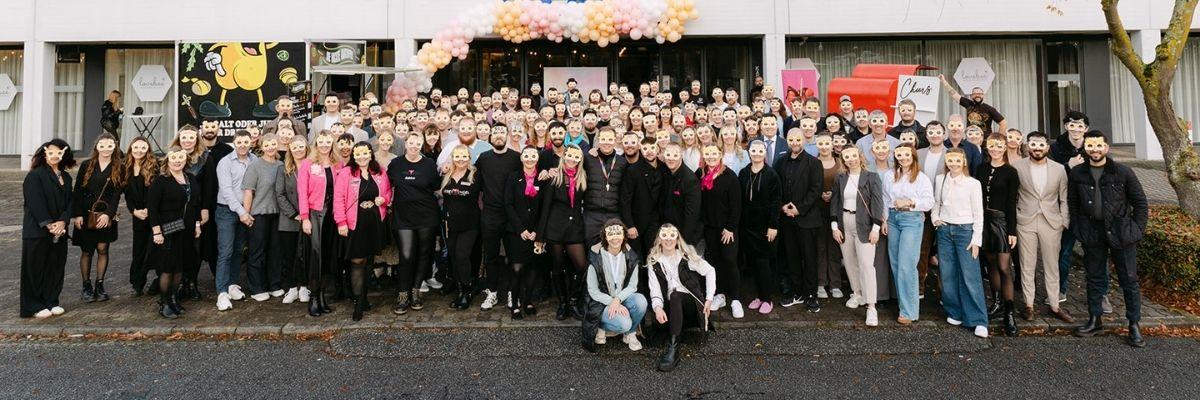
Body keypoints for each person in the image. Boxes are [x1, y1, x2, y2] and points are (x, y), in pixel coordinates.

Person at [1068, 131, 1148, 348]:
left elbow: (1140, 203)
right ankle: (1095, 319)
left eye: (1098, 146)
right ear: (1085, 148)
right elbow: (1072, 204)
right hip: (1092, 232)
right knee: (1094, 278)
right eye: (1090, 146)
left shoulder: (1123, 172)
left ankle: (1134, 324)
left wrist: (1136, 230)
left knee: (1129, 280)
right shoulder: (1077, 173)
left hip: (1121, 232)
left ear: (1106, 147)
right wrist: (1079, 229)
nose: (1095, 150)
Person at [1011, 131, 1074, 323]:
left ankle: (1055, 305)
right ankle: (1028, 305)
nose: (1037, 148)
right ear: (1028, 146)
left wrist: (1064, 221)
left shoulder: (1058, 169)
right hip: (1026, 220)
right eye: (1033, 144)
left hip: (1051, 222)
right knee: (1027, 265)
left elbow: (1064, 197)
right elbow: (1012, 195)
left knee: (1052, 265)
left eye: (1041, 145)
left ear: (1047, 147)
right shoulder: (1017, 166)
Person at [932, 148, 989, 338]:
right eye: (950, 160)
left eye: (957, 160)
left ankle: (978, 320)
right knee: (947, 273)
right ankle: (954, 310)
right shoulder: (941, 179)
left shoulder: (973, 184)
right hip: (945, 230)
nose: (953, 164)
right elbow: (936, 202)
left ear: (964, 161)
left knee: (970, 275)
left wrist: (976, 239)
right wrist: (935, 219)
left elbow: (978, 213)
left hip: (965, 231)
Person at [333, 141, 392, 321]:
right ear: (353, 155)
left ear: (370, 154)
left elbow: (388, 191)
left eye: (365, 153)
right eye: (358, 154)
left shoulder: (379, 171)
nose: (362, 157)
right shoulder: (346, 173)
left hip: (374, 221)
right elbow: (339, 198)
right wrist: (340, 222)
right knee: (357, 261)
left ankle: (365, 297)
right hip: (354, 222)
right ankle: (358, 301)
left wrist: (385, 199)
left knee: (369, 261)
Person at [647, 224, 716, 372]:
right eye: (664, 236)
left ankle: (674, 348)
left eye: (672, 235)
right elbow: (655, 291)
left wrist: (709, 300)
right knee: (673, 297)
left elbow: (710, 271)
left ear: (677, 239)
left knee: (676, 295)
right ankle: (674, 336)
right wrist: (658, 308)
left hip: (691, 307)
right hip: (670, 310)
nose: (668, 239)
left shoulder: (686, 256)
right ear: (659, 239)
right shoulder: (654, 262)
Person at [21, 139, 75, 319]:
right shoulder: (35, 175)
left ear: (63, 154)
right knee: (35, 268)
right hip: (37, 231)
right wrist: (49, 224)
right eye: (50, 151)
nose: (54, 155)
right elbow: (35, 202)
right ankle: (34, 305)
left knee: (56, 266)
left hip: (60, 230)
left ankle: (52, 301)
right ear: (44, 153)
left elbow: (70, 202)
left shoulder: (66, 177)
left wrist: (63, 222)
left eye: (58, 152)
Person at [830, 146, 884, 326]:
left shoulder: (872, 177)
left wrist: (876, 228)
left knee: (867, 265)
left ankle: (871, 307)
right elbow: (836, 201)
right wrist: (834, 226)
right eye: (847, 157)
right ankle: (857, 293)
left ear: (860, 157)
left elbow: (877, 203)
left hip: (865, 224)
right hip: (845, 222)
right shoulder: (840, 178)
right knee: (850, 262)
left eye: (854, 156)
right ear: (843, 160)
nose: (851, 159)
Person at [146, 147, 203, 319]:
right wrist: (156, 232)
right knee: (168, 268)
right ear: (167, 160)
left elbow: (195, 204)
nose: (177, 161)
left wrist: (197, 224)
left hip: (185, 230)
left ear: (185, 159)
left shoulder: (190, 178)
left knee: (180, 267)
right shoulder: (161, 181)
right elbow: (152, 208)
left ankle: (173, 299)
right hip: (167, 230)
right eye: (174, 158)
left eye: (180, 157)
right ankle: (164, 302)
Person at [388, 134, 441, 314]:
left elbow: (435, 186)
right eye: (411, 143)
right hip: (403, 216)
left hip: (427, 215)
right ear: (406, 144)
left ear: (421, 145)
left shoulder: (428, 164)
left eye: (418, 143)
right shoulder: (395, 164)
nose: (414, 146)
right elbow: (387, 185)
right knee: (407, 255)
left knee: (424, 253)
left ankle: (416, 291)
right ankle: (402, 294)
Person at [536, 145, 589, 321]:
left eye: (576, 157)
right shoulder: (554, 177)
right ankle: (563, 303)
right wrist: (540, 235)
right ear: (564, 156)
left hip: (574, 229)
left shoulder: (582, 176)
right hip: (555, 228)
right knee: (557, 266)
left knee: (581, 266)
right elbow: (545, 207)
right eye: (569, 156)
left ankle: (573, 300)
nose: (572, 159)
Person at [975, 133, 1020, 336]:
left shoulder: (1011, 172)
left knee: (1004, 267)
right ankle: (996, 303)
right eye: (992, 145)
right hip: (984, 219)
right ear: (987, 147)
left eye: (999, 146)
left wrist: (1012, 230)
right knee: (991, 263)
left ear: (1004, 148)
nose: (995, 149)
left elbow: (1012, 203)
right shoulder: (981, 169)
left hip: (1001, 221)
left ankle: (1009, 311)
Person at [775, 129, 824, 312]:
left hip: (807, 219)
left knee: (810, 259)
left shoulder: (814, 163)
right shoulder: (780, 162)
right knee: (792, 258)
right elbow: (777, 187)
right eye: (791, 139)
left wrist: (799, 209)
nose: (794, 142)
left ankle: (811, 295)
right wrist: (782, 207)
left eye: (798, 139)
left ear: (804, 140)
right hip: (787, 219)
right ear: (787, 141)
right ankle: (797, 292)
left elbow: (816, 190)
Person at [72, 132, 124, 303]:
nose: (106, 149)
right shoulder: (86, 165)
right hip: (86, 213)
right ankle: (86, 286)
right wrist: (77, 214)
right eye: (102, 145)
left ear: (114, 147)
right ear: (97, 147)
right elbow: (78, 190)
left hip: (106, 214)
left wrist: (109, 214)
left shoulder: (119, 166)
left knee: (103, 249)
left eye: (110, 145)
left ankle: (99, 284)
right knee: (87, 251)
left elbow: (117, 194)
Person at [582, 219, 647, 353]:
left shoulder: (631, 256)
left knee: (641, 301)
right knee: (624, 323)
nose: (615, 238)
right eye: (611, 235)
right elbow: (593, 291)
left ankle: (631, 333)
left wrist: (617, 300)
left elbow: (633, 286)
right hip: (601, 303)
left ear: (624, 235)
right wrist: (611, 302)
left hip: (620, 299)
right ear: (605, 236)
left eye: (618, 234)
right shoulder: (595, 256)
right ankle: (602, 326)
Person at [886, 143, 934, 324]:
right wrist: (884, 219)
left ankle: (909, 311)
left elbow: (929, 202)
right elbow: (885, 199)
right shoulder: (890, 176)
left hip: (911, 220)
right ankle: (904, 304)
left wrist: (910, 202)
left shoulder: (921, 178)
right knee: (896, 264)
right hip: (892, 219)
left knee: (907, 265)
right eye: (899, 154)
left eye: (906, 154)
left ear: (913, 156)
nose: (903, 158)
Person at [475, 126, 522, 311]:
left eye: (502, 133)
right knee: (491, 256)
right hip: (490, 214)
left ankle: (512, 292)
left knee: (512, 255)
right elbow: (474, 181)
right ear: (491, 137)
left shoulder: (516, 158)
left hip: (511, 216)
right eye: (496, 133)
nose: (499, 136)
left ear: (507, 135)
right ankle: (492, 292)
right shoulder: (484, 158)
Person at [298, 130, 341, 317]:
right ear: (316, 144)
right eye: (321, 141)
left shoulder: (337, 164)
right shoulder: (308, 164)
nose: (324, 145)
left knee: (329, 256)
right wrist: (305, 217)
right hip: (315, 214)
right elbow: (302, 193)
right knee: (316, 256)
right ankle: (314, 297)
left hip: (332, 214)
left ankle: (322, 295)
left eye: (328, 141)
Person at [697, 144, 742, 318]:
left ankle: (736, 299)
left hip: (727, 229)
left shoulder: (729, 176)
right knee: (715, 262)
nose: (711, 156)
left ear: (720, 155)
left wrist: (730, 227)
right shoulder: (700, 174)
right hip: (709, 228)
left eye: (714, 154)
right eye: (707, 153)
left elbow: (736, 205)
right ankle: (720, 294)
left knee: (730, 261)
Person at [214, 131, 257, 311]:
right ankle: (222, 292)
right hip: (227, 210)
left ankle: (232, 284)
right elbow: (226, 190)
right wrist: (242, 212)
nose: (242, 145)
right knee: (226, 251)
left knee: (239, 250)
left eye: (246, 142)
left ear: (251, 143)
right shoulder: (225, 162)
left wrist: (247, 212)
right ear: (234, 142)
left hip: (246, 210)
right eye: (239, 142)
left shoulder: (255, 160)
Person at [1050, 111, 1089, 304]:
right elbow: (1050, 176)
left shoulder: (1093, 145)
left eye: (1080, 125)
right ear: (1066, 126)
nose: (1075, 129)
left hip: (1088, 209)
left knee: (1094, 252)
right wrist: (1068, 165)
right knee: (1063, 252)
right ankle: (1060, 289)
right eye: (1071, 125)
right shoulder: (1056, 148)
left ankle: (1102, 294)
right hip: (1064, 208)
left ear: (1085, 129)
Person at [738, 140, 782, 315]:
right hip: (748, 226)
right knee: (753, 264)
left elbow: (776, 202)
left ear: (765, 153)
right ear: (749, 152)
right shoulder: (743, 172)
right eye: (753, 150)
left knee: (764, 263)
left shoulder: (771, 175)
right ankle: (758, 295)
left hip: (765, 227)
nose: (756, 153)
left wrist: (773, 225)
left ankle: (767, 298)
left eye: (760, 150)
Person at [241, 134, 284, 302]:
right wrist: (246, 213)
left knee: (275, 251)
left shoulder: (281, 165)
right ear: (261, 146)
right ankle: (257, 287)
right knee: (257, 252)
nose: (271, 147)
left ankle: (274, 284)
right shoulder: (255, 165)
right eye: (268, 144)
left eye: (274, 143)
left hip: (278, 214)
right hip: (259, 214)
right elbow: (248, 191)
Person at [440, 145, 482, 312]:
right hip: (451, 224)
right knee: (453, 257)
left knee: (462, 255)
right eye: (457, 156)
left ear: (469, 157)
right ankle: (461, 290)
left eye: (464, 156)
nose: (461, 159)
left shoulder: (475, 174)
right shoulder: (447, 174)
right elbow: (443, 196)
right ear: (453, 157)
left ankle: (467, 291)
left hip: (470, 223)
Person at [504, 147, 543, 319]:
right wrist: (521, 229)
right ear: (521, 158)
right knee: (517, 268)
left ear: (537, 158)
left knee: (533, 267)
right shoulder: (513, 177)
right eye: (526, 155)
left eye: (533, 156)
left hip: (537, 232)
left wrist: (537, 231)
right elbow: (508, 204)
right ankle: (515, 303)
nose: (529, 159)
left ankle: (528, 301)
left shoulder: (542, 178)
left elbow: (545, 207)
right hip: (516, 231)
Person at [275, 137, 308, 305]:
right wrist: (293, 213)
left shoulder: (312, 166)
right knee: (289, 255)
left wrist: (306, 214)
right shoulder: (283, 168)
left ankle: (303, 287)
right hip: (289, 219)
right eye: (295, 147)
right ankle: (291, 288)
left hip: (308, 218)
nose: (298, 150)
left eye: (301, 146)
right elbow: (279, 194)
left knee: (304, 255)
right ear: (290, 149)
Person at [122, 137, 157, 296]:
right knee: (138, 252)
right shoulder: (126, 168)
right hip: (137, 215)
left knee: (155, 249)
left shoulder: (154, 166)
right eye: (136, 147)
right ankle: (137, 284)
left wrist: (150, 209)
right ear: (131, 148)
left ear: (148, 150)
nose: (139, 151)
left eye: (143, 148)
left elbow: (157, 191)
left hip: (154, 215)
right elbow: (127, 195)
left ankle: (158, 281)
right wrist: (133, 210)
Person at [621, 137, 665, 262]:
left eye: (652, 148)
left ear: (657, 149)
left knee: (653, 257)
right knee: (636, 259)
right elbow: (625, 200)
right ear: (640, 149)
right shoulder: (632, 170)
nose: (649, 151)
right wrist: (629, 225)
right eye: (645, 148)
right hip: (636, 223)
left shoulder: (664, 168)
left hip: (656, 222)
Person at [582, 127, 627, 246]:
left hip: (614, 214)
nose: (606, 142)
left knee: (613, 248)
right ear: (598, 140)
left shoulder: (622, 162)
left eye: (610, 139)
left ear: (615, 140)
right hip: (591, 214)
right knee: (590, 249)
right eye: (603, 139)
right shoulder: (588, 158)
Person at [813, 134, 844, 299]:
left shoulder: (840, 163)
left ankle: (835, 284)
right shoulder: (812, 163)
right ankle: (820, 283)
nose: (824, 146)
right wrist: (820, 195)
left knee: (834, 248)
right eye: (821, 143)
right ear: (817, 145)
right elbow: (808, 185)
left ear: (832, 145)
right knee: (820, 247)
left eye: (827, 143)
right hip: (817, 210)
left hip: (836, 210)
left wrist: (833, 194)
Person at [659, 143, 702, 245]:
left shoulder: (690, 180)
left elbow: (692, 214)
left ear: (681, 156)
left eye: (675, 155)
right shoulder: (665, 172)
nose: (671, 159)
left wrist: (683, 241)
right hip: (668, 230)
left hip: (685, 234)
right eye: (668, 155)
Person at [939, 74, 1007, 135]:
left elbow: (1003, 123)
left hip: (984, 143)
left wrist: (998, 138)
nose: (977, 95)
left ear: (983, 96)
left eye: (980, 94)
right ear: (971, 96)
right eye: (975, 94)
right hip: (970, 139)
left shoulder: (990, 109)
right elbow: (953, 94)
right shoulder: (968, 104)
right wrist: (943, 81)